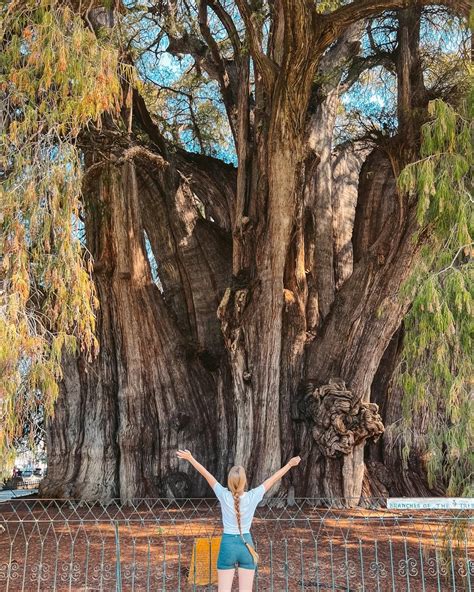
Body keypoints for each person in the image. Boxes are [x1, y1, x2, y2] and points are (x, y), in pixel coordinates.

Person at [176, 449, 301, 592]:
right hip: (247, 545)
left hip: (228, 546)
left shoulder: (223, 495)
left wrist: (191, 458)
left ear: (229, 482)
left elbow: (206, 474)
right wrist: (290, 465)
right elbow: (272, 479)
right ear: (245, 481)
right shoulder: (253, 496)